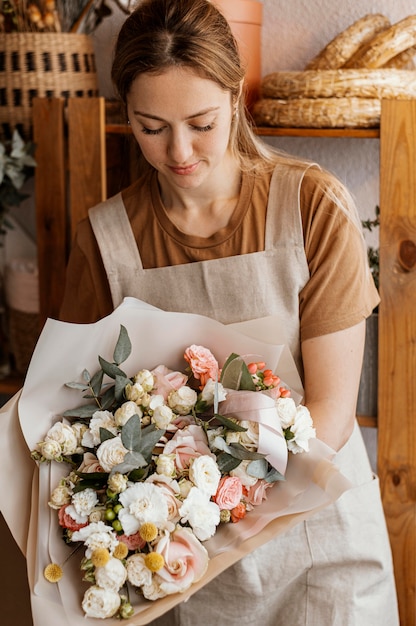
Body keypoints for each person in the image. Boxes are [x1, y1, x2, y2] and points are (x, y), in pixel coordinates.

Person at [59, 0, 399, 624]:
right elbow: (80, 413)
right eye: (151, 126)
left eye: (201, 121)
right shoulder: (106, 239)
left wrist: (221, 500)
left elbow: (329, 412)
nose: (179, 151)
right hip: (180, 566)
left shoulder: (310, 207)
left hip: (321, 549)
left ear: (236, 96)